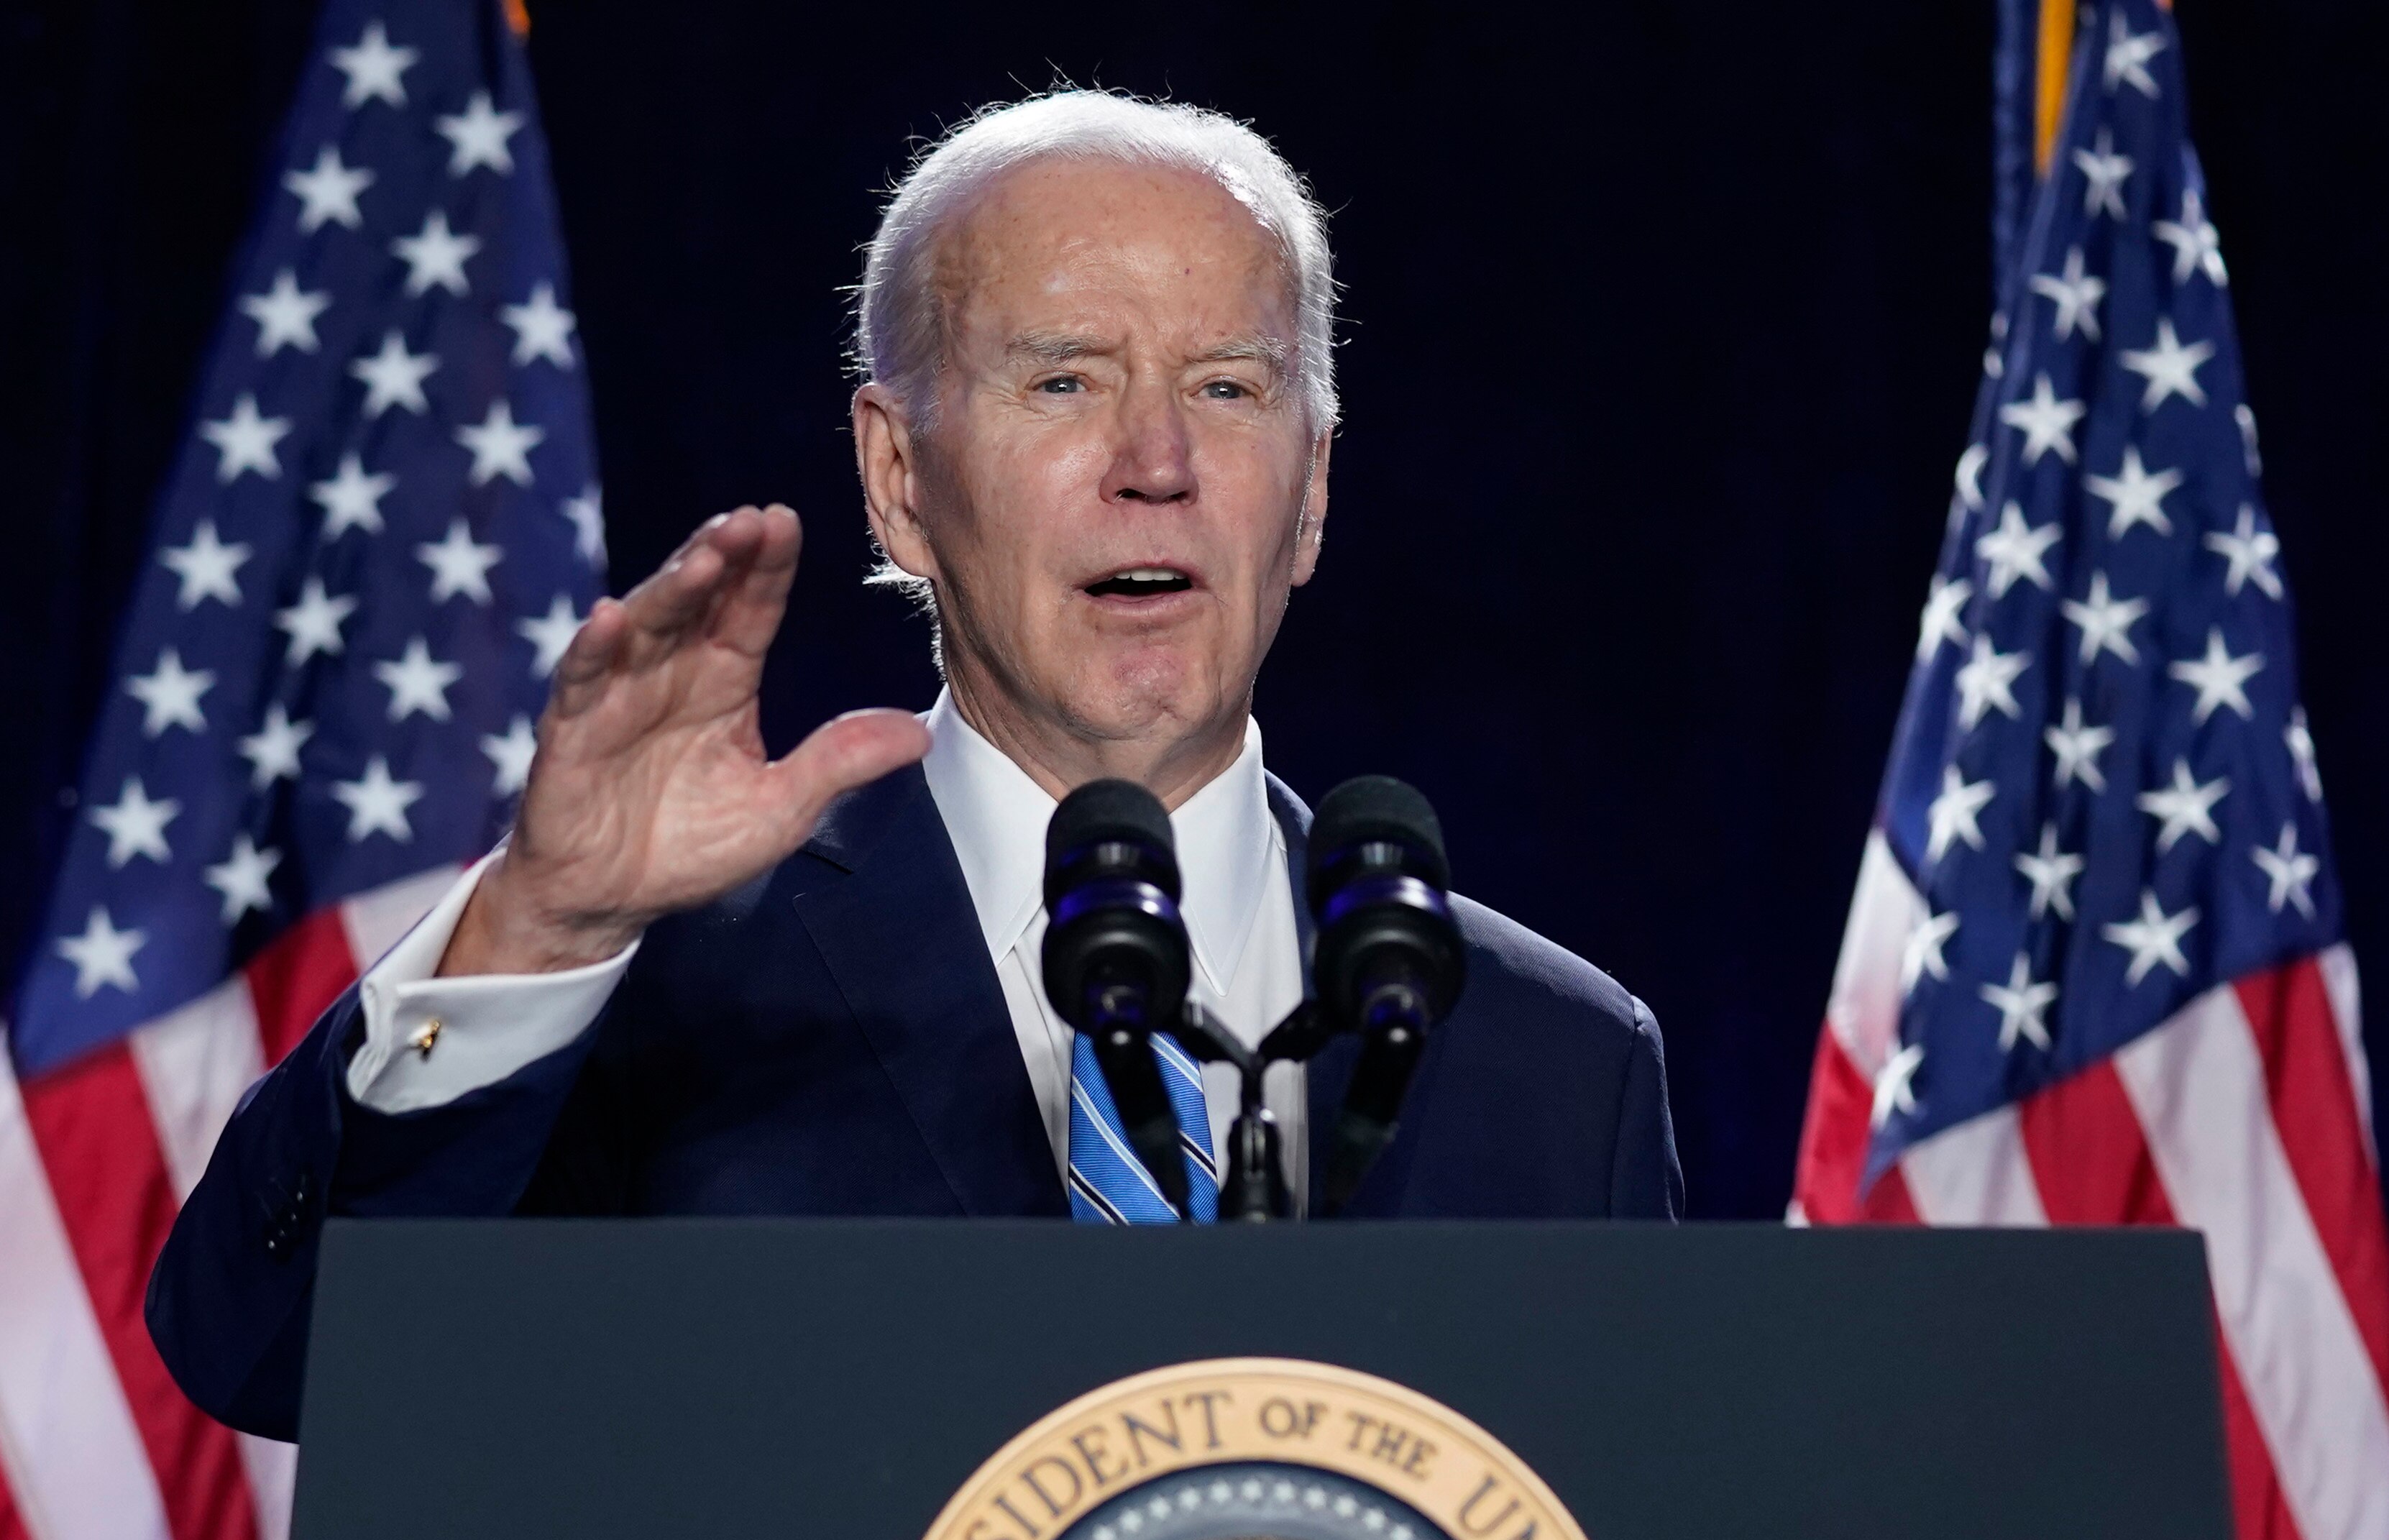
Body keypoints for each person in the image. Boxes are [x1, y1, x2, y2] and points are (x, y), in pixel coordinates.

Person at [148, 90, 1680, 1441]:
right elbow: (272, 1351)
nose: (1158, 463)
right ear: (898, 480)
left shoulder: (1554, 1064)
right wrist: (534, 929)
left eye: (1227, 385)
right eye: (1065, 381)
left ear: (1313, 488)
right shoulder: (654, 998)